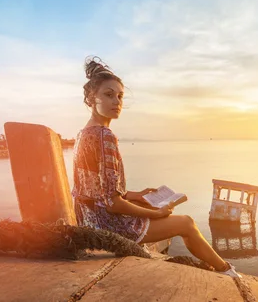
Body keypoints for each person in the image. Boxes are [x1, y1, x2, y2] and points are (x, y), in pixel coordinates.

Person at [71, 56, 241, 278]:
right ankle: (228, 272)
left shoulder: (82, 134)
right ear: (92, 99)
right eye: (109, 94)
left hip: (88, 220)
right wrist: (158, 212)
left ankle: (224, 268)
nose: (117, 102)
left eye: (120, 96)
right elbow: (112, 204)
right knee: (187, 223)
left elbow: (95, 192)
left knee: (151, 207)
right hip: (107, 226)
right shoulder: (105, 136)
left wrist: (135, 195)